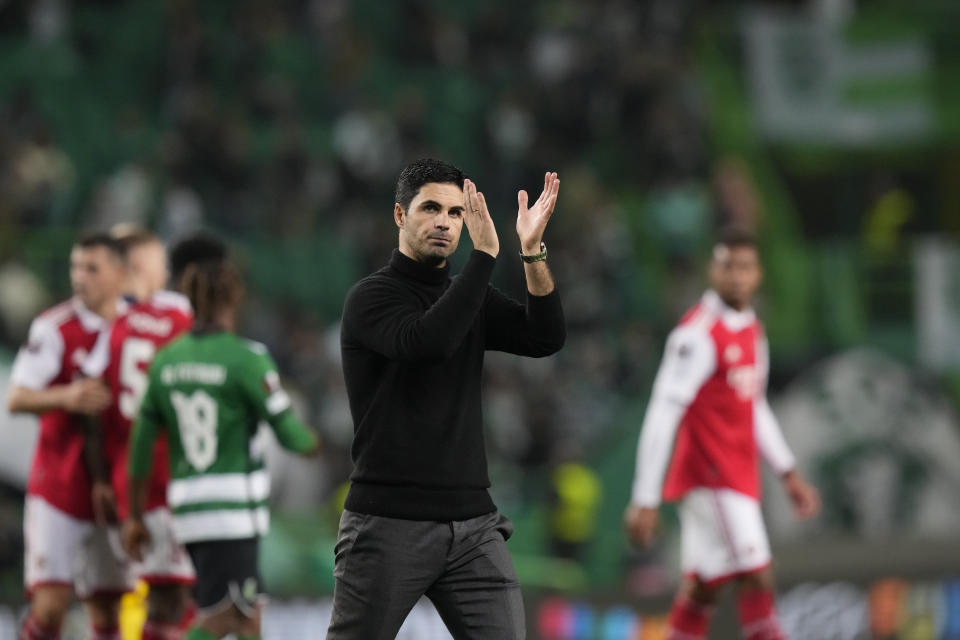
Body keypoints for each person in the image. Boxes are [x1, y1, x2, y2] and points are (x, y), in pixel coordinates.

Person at [328, 158, 566, 639]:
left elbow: (545, 337)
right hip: (388, 522)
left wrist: (531, 252)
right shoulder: (371, 298)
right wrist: (483, 257)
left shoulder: (468, 293)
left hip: (473, 525)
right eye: (430, 208)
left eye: (457, 213)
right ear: (399, 216)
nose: (444, 222)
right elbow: (427, 343)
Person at [623, 227, 821, 640]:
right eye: (727, 266)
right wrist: (645, 497)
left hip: (736, 474)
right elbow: (663, 411)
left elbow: (755, 405)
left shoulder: (750, 327)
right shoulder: (696, 336)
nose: (736, 276)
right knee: (757, 574)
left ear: (759, 273)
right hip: (712, 475)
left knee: (703, 589)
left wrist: (787, 472)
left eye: (745, 267)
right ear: (712, 270)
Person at [122, 235, 320, 640]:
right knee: (226, 618)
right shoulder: (247, 358)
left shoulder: (167, 361)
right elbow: (293, 438)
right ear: (234, 297)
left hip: (187, 510)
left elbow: (141, 448)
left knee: (249, 619)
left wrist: (136, 516)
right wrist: (319, 441)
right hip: (232, 511)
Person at [81, 229, 203, 640]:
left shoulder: (109, 321)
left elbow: (91, 403)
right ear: (141, 268)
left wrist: (98, 477)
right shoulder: (180, 315)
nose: (166, 272)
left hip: (123, 475)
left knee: (131, 595)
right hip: (169, 474)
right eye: (160, 264)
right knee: (172, 598)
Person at [7, 233, 128, 640]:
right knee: (51, 603)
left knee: (108, 606)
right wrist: (68, 396)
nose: (80, 277)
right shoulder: (55, 327)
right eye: (76, 267)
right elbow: (17, 398)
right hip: (58, 485)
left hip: (114, 487)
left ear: (119, 273)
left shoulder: (134, 327)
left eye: (91, 268)